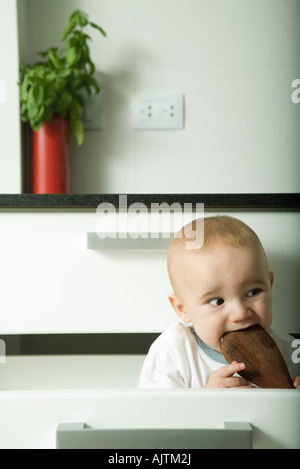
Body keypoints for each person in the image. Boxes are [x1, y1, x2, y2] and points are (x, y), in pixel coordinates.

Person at [138, 215, 300, 389]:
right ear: (182, 309)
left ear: (270, 285)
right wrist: (207, 399)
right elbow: (155, 414)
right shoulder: (173, 353)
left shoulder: (290, 351)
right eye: (217, 301)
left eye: (253, 292)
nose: (240, 313)